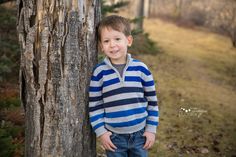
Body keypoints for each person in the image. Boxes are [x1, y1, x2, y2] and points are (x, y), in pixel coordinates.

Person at [89, 15, 159, 157]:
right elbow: (95, 105)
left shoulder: (141, 69)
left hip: (141, 135)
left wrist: (151, 129)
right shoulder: (99, 73)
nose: (112, 45)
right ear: (101, 46)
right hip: (114, 138)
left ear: (129, 40)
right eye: (106, 41)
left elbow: (152, 102)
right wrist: (101, 132)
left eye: (117, 39)